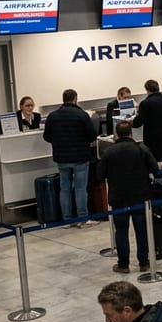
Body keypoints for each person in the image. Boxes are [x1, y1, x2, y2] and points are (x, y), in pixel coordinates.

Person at [98, 120, 159, 273]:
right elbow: (155, 169)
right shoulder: (141, 149)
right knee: (142, 230)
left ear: (116, 135)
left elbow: (100, 175)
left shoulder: (109, 152)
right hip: (140, 196)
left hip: (118, 198)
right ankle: (144, 263)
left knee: (121, 231)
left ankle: (123, 264)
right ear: (131, 133)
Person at [43, 88, 99, 228]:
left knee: (65, 189)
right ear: (75, 99)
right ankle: (83, 218)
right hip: (80, 156)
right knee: (80, 188)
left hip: (61, 158)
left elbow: (47, 136)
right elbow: (92, 135)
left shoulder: (53, 116)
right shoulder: (82, 115)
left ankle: (66, 220)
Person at [133, 80, 162, 162]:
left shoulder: (145, 103)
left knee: (155, 165)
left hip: (152, 141)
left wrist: (130, 122)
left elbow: (138, 123)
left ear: (147, 90)